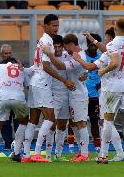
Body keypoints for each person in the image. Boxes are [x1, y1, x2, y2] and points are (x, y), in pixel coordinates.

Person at [78, 18, 124, 164]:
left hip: (112, 87)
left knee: (107, 121)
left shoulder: (112, 45)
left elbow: (115, 62)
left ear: (115, 29)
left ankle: (103, 155)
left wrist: (103, 71)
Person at [21, 14, 75, 163]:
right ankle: (37, 152)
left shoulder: (42, 41)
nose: (56, 28)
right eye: (53, 25)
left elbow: (37, 64)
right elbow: (46, 67)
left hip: (35, 82)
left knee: (33, 119)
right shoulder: (48, 41)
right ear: (45, 26)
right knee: (50, 118)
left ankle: (26, 154)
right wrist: (64, 80)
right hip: (42, 83)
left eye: (57, 25)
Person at [73, 29, 124, 162]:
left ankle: (109, 153)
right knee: (106, 122)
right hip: (122, 88)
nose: (105, 42)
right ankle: (117, 152)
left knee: (105, 122)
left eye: (106, 38)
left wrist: (79, 59)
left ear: (110, 38)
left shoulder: (108, 53)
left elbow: (91, 67)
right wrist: (93, 39)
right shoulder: (122, 50)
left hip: (108, 91)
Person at [42, 34, 90, 162]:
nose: (60, 49)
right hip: (69, 94)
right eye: (56, 46)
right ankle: (81, 152)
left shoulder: (75, 56)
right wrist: (86, 73)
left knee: (79, 123)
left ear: (69, 45)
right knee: (73, 123)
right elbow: (85, 68)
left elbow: (61, 66)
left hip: (77, 94)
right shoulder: (74, 54)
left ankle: (84, 154)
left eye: (62, 46)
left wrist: (50, 55)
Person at [44, 35, 71, 161]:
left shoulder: (67, 55)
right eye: (55, 47)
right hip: (52, 93)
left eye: (59, 46)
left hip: (65, 94)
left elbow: (77, 66)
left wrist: (85, 74)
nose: (57, 49)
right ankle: (48, 154)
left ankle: (58, 154)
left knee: (62, 125)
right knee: (51, 123)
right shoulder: (48, 58)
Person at [0, 44, 19, 150]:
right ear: (1, 55)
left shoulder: (18, 66)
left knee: (17, 121)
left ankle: (18, 142)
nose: (8, 55)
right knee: (5, 122)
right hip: (3, 97)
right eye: (5, 53)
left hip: (16, 98)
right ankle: (8, 143)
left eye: (9, 53)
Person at [85, 33, 102, 152]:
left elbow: (106, 72)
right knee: (75, 121)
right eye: (90, 45)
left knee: (94, 120)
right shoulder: (82, 56)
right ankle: (71, 146)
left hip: (95, 95)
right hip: (82, 95)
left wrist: (99, 84)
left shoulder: (101, 57)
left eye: (95, 45)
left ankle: (97, 146)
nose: (93, 47)